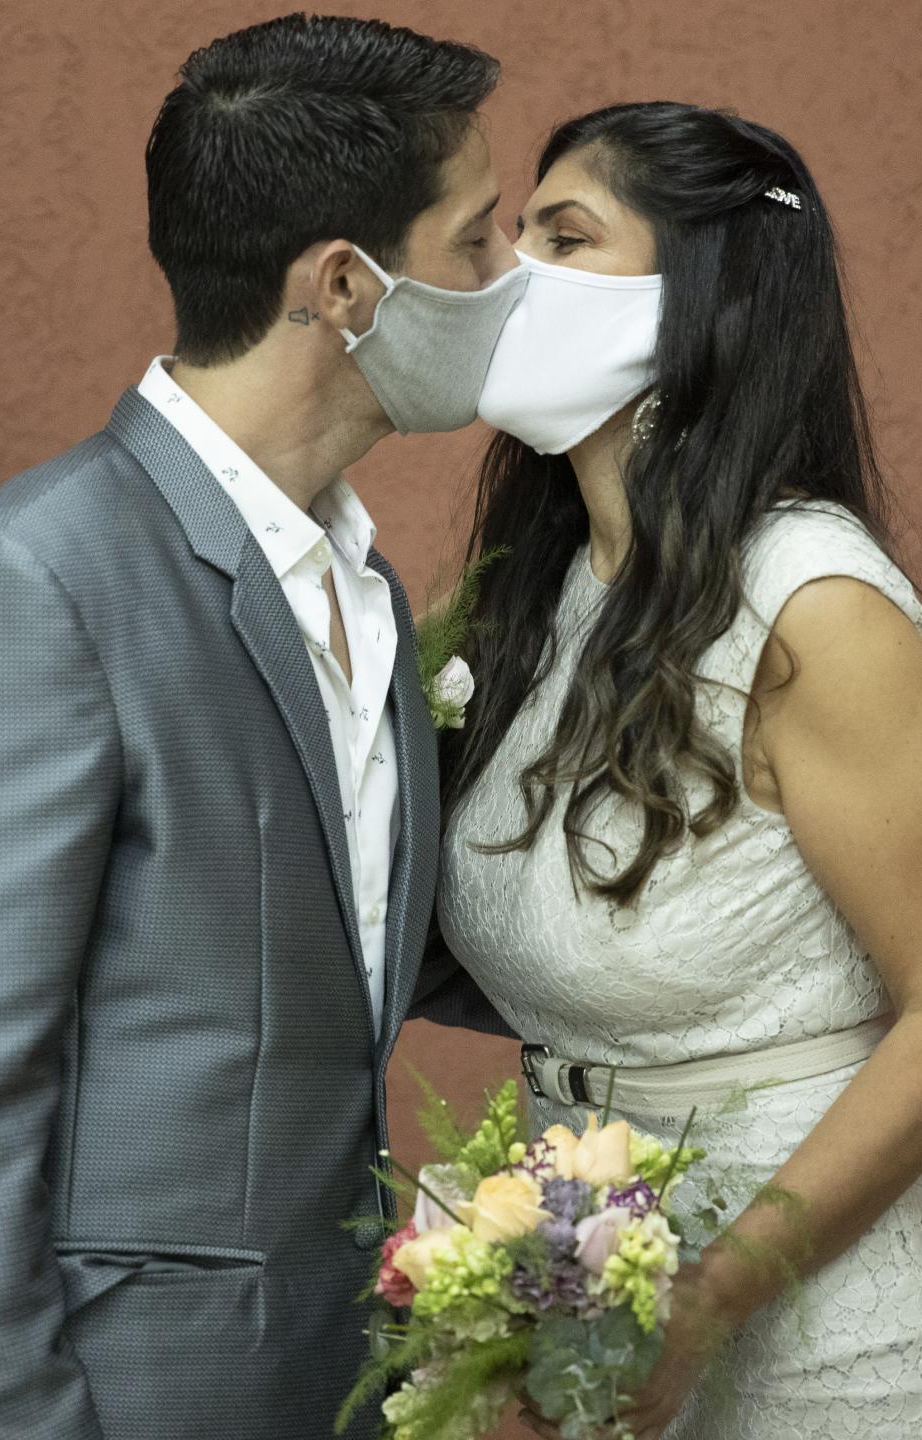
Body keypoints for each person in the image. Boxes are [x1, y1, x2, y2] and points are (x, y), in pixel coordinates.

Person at [0, 14, 521, 1440]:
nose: (504, 283)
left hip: (330, 1371)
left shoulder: (369, 584)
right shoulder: (46, 572)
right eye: (476, 242)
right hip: (125, 1386)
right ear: (345, 284)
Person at [436, 102, 922, 1439]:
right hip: (598, 1292)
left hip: (825, 1339)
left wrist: (705, 1300)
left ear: (696, 296)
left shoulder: (809, 603)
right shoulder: (540, 600)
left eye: (561, 236)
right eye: (511, 231)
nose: (504, 273)